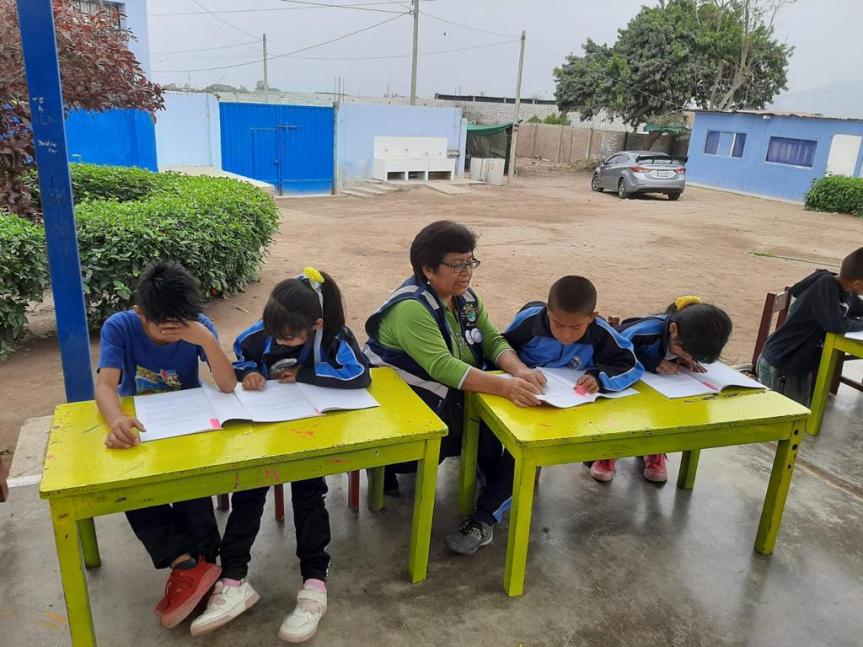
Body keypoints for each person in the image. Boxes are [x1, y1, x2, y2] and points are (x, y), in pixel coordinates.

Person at [190, 267, 370, 643]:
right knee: (250, 492)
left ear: (316, 324)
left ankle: (315, 584)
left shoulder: (337, 338)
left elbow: (359, 376)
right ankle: (234, 578)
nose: (281, 340)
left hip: (311, 434)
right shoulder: (263, 334)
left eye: (290, 336)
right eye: (276, 333)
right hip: (269, 432)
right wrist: (251, 373)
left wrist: (306, 374)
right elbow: (240, 352)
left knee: (309, 495)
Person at [364, 220, 545, 556]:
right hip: (412, 412)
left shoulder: (465, 298)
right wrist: (505, 387)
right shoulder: (411, 309)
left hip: (449, 400)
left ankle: (488, 505)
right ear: (428, 268)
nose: (467, 273)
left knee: (519, 430)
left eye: (470, 262)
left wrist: (520, 370)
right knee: (510, 434)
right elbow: (442, 367)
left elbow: (491, 339)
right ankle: (492, 504)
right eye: (457, 264)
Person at [94, 261, 237, 629]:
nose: (175, 335)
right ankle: (186, 565)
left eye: (181, 327)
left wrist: (205, 339)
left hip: (189, 426)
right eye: (165, 328)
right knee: (136, 489)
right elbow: (106, 386)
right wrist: (118, 421)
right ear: (140, 312)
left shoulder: (197, 329)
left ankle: (201, 562)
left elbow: (226, 385)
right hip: (145, 426)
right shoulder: (121, 326)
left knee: (192, 487)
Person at [504, 276, 645, 477]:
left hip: (574, 403)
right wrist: (519, 370)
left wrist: (599, 378)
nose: (566, 335)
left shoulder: (601, 333)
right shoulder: (530, 321)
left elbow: (631, 365)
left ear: (591, 317)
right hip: (529, 398)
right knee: (520, 459)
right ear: (547, 311)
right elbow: (501, 348)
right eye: (558, 325)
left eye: (576, 327)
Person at [614, 296, 732, 482]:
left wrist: (684, 359)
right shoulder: (643, 332)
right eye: (687, 351)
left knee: (669, 412)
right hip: (622, 382)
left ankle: (656, 449)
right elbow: (612, 351)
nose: (690, 356)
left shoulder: (687, 338)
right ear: (673, 329)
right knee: (623, 412)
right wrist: (653, 363)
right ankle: (608, 453)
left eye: (695, 355)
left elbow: (682, 350)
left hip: (659, 389)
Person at [757, 247, 863, 405]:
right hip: (784, 363)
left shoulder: (846, 291)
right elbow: (836, 325)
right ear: (858, 283)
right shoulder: (825, 285)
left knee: (799, 413)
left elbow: (857, 309)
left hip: (799, 364)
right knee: (785, 416)